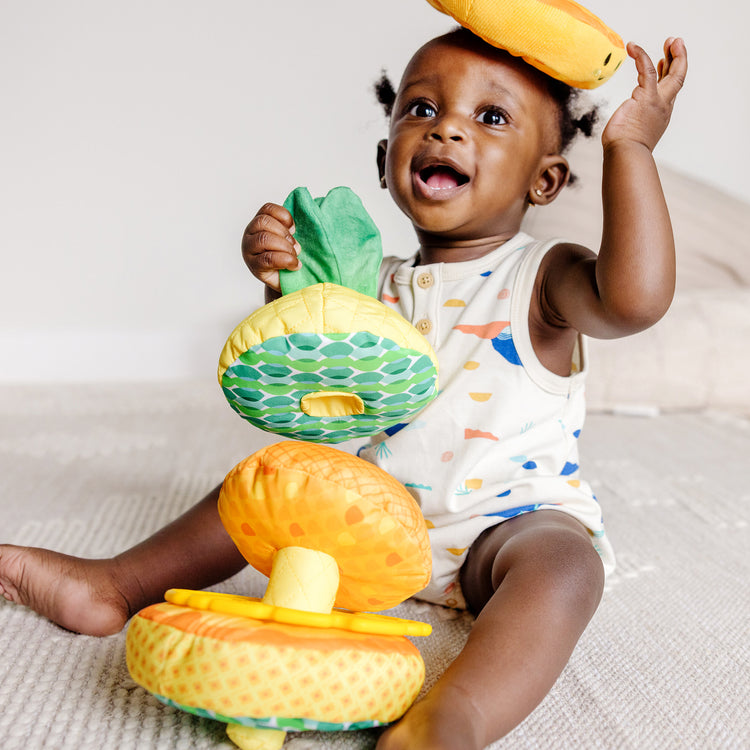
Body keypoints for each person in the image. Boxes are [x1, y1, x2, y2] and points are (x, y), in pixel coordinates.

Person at [0, 26, 686, 750]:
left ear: (542, 180)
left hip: (504, 531)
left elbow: (634, 301)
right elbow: (309, 387)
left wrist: (631, 149)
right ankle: (112, 586)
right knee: (266, 484)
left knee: (567, 565)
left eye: (490, 118)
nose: (446, 126)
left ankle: (457, 714)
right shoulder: (364, 285)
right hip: (369, 530)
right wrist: (278, 277)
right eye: (421, 109)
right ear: (387, 157)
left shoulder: (542, 277)